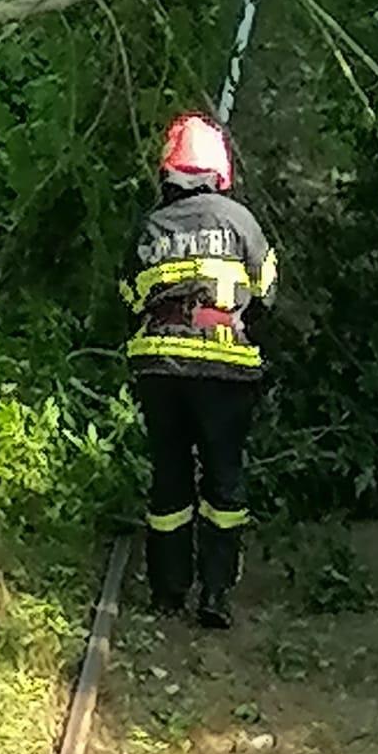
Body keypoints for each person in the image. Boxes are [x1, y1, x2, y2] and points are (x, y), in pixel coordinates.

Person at [121, 112, 277, 627]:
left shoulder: (150, 227)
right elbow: (268, 293)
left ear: (169, 171)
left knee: (170, 479)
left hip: (162, 370)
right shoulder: (242, 223)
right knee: (223, 480)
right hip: (227, 372)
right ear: (219, 171)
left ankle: (168, 593)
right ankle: (216, 594)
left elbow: (128, 296)